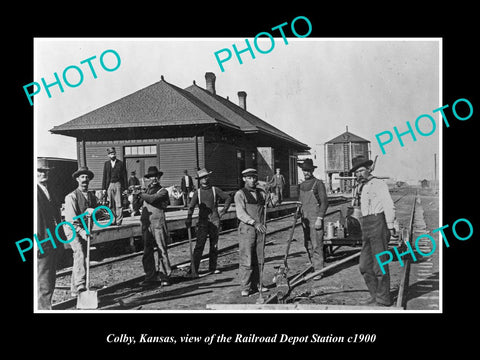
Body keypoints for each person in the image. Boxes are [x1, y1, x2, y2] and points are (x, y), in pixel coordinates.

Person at [351, 156, 395, 306]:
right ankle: (375, 294)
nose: (358, 174)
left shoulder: (379, 184)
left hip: (378, 224)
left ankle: (383, 299)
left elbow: (388, 205)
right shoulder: (362, 187)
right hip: (366, 225)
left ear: (369, 169)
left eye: (361, 171)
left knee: (380, 264)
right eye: (356, 172)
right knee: (364, 265)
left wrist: (390, 226)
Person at [185, 168, 233, 276]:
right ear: (199, 180)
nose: (204, 180)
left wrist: (224, 210)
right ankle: (193, 270)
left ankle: (212, 268)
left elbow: (228, 198)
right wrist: (188, 217)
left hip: (215, 220)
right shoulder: (198, 193)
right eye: (202, 178)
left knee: (214, 245)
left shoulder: (215, 190)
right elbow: (191, 206)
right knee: (199, 246)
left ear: (208, 177)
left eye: (206, 177)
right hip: (202, 222)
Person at [234, 168, 272, 297]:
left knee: (259, 257)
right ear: (244, 179)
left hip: (261, 229)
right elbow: (240, 213)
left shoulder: (261, 193)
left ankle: (259, 284)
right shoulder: (240, 194)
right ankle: (246, 286)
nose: (252, 180)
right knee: (247, 258)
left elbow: (272, 204)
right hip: (247, 229)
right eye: (249, 178)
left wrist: (271, 191)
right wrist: (254, 222)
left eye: (254, 177)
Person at [63, 166, 98, 297]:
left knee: (81, 257)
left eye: (87, 177)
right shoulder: (71, 197)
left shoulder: (92, 196)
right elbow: (72, 221)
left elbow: (97, 215)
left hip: (85, 229)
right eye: (82, 177)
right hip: (72, 229)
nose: (85, 179)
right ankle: (81, 286)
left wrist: (93, 214)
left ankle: (74, 289)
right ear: (77, 179)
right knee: (80, 254)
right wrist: (82, 232)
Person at [37, 158, 65, 310]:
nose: (44, 174)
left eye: (46, 171)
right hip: (42, 242)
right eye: (40, 171)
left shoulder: (49, 190)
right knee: (44, 282)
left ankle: (46, 307)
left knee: (49, 279)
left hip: (52, 240)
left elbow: (56, 216)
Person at [136, 166, 172, 286]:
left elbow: (152, 199)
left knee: (161, 249)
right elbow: (137, 206)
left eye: (156, 176)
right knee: (147, 251)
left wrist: (140, 194)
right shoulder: (145, 191)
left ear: (159, 177)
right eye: (151, 177)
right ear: (148, 179)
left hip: (158, 223)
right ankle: (150, 276)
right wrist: (134, 197)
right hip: (147, 224)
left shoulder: (163, 191)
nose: (154, 179)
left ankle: (164, 276)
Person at [298, 158, 329, 279]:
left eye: (308, 170)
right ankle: (313, 265)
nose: (306, 173)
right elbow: (300, 202)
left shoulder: (318, 184)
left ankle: (318, 270)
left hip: (315, 218)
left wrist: (320, 218)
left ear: (312, 171)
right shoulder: (301, 185)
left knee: (317, 244)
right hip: (304, 219)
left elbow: (325, 202)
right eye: (304, 170)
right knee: (308, 244)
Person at [102, 147, 128, 225]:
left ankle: (119, 221)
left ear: (115, 153)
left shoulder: (120, 163)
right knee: (111, 204)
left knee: (119, 203)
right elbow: (104, 176)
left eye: (113, 153)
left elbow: (125, 176)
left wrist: (125, 188)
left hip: (118, 184)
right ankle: (113, 220)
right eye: (110, 154)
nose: (112, 155)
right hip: (109, 184)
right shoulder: (106, 164)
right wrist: (104, 188)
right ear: (108, 155)